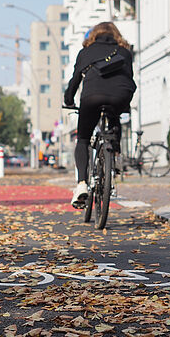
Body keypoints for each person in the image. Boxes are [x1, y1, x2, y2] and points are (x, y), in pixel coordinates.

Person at [64, 22, 136, 208]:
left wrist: (69, 100)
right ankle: (116, 156)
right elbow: (129, 77)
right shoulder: (125, 52)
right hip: (121, 95)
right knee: (114, 117)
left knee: (83, 139)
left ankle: (81, 184)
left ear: (93, 35)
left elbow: (75, 80)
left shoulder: (85, 53)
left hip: (92, 96)